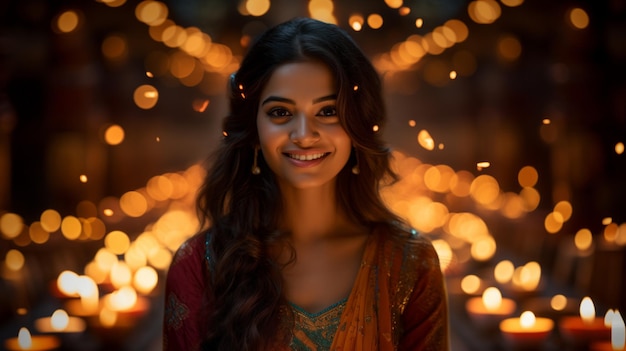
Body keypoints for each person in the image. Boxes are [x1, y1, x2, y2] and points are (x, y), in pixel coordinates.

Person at [163, 17, 449, 351]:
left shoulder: (409, 264)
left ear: (358, 125)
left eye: (328, 111)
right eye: (281, 113)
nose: (303, 135)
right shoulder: (202, 264)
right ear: (253, 130)